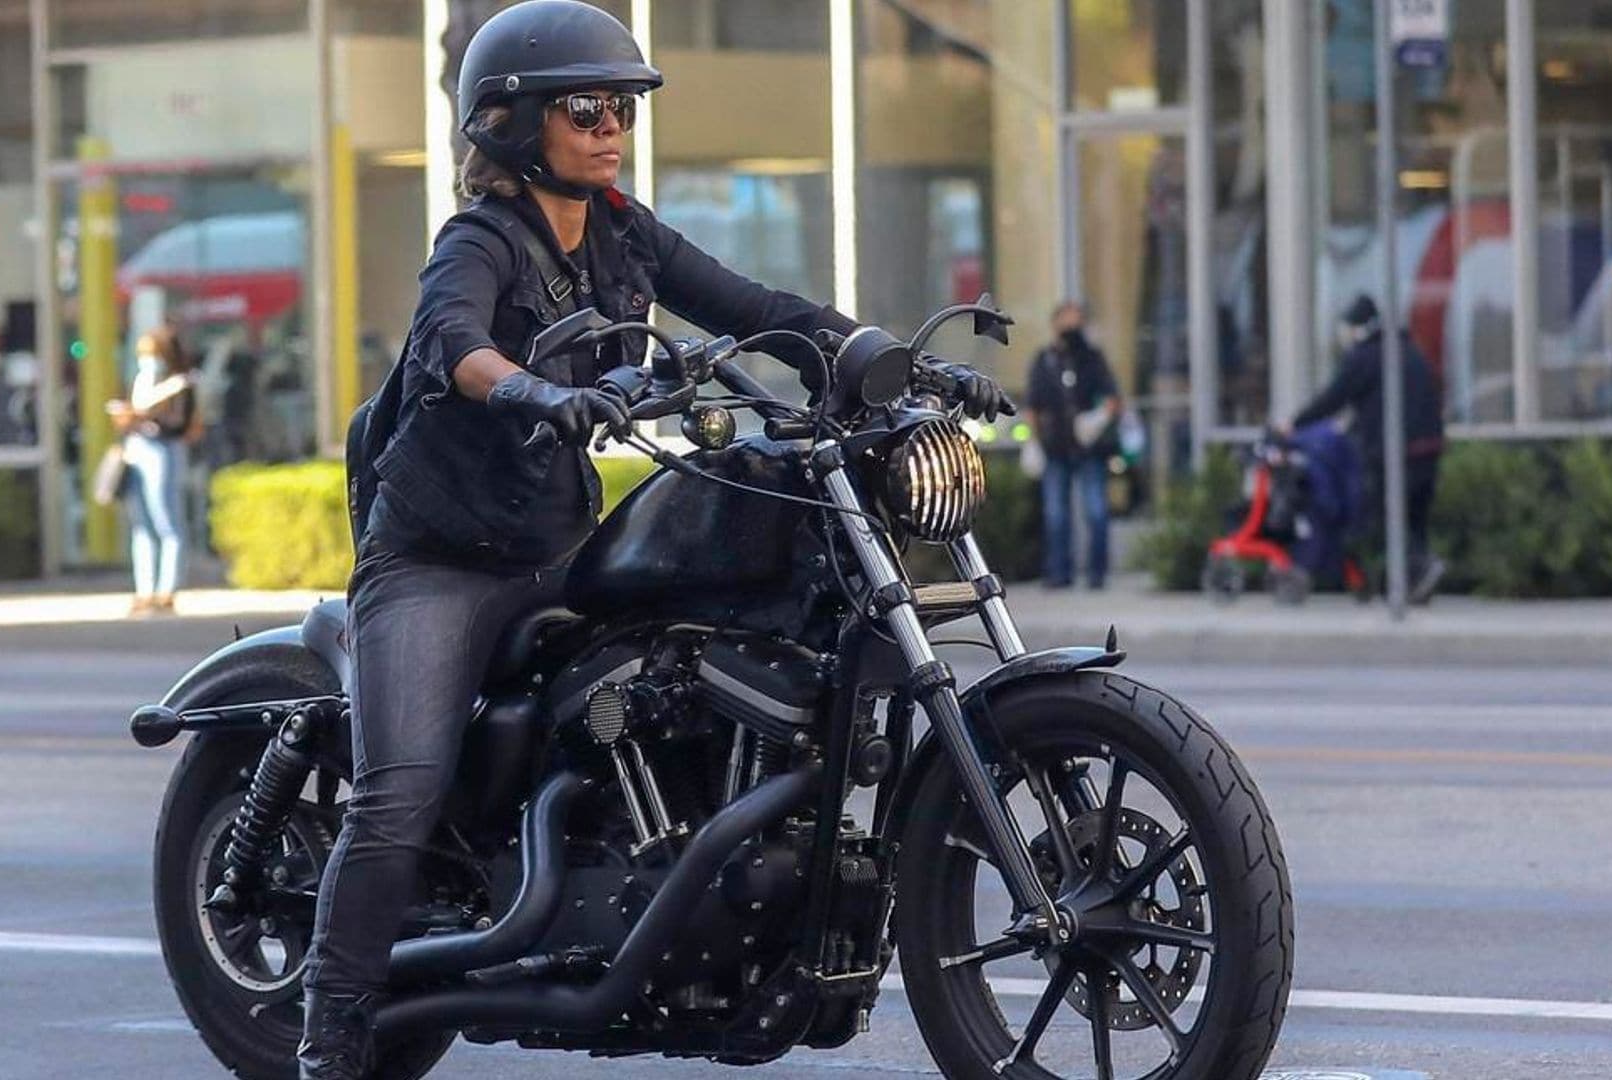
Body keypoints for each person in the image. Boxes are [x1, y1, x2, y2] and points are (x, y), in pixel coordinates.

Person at [298, 3, 1005, 1076]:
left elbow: (755, 309)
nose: (611, 126)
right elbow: (453, 344)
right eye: (585, 108)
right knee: (400, 789)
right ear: (509, 122)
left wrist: (895, 365)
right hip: (439, 563)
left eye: (621, 105)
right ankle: (330, 1030)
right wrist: (534, 387)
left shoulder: (624, 232)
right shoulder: (479, 240)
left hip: (554, 550)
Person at [1286, 294, 1446, 602]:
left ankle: (1420, 567)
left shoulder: (1366, 357)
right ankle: (1416, 582)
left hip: (1397, 449)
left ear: (1358, 329)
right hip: (1430, 446)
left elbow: (1334, 398)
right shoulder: (1408, 350)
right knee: (1415, 517)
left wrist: (1295, 425)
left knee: (1388, 514)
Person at [1026, 300, 1121, 590]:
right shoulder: (1044, 360)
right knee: (1056, 514)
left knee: (1096, 511)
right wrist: (1033, 440)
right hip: (1055, 446)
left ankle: (1097, 573)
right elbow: (1033, 405)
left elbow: (1112, 399)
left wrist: (1096, 419)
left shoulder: (1092, 359)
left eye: (1075, 320)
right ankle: (1058, 573)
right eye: (1065, 320)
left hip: (1088, 448)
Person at [108, 326, 202, 616]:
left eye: (151, 353)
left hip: (163, 450)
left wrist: (141, 410)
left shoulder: (180, 383)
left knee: (167, 520)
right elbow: (136, 410)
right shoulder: (142, 379)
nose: (147, 360)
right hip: (138, 449)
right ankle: (144, 589)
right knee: (141, 524)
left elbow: (173, 418)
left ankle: (167, 589)